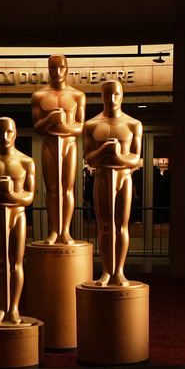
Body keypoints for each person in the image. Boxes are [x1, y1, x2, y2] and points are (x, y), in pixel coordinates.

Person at [0, 117, 36, 324]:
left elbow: (29, 197)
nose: (4, 137)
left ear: (15, 132)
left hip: (17, 216)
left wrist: (9, 195)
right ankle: (2, 308)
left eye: (9, 132)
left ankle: (15, 308)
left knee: (16, 263)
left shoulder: (26, 161)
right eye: (0, 132)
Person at [84, 80, 142, 287]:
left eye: (116, 94)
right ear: (101, 96)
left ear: (122, 95)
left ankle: (119, 271)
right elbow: (89, 158)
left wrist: (115, 157)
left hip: (124, 178)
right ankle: (107, 271)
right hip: (101, 178)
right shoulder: (91, 125)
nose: (112, 99)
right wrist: (104, 151)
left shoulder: (133, 124)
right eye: (107, 94)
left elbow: (135, 158)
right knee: (105, 226)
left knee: (121, 226)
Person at [31, 54, 86, 244]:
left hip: (69, 145)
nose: (58, 72)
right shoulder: (39, 96)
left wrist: (61, 126)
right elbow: (38, 127)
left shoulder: (77, 95)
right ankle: (54, 230)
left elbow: (79, 127)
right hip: (49, 145)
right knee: (52, 189)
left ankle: (66, 231)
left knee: (68, 189)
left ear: (67, 68)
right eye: (53, 68)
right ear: (48, 69)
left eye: (61, 67)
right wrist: (51, 120)